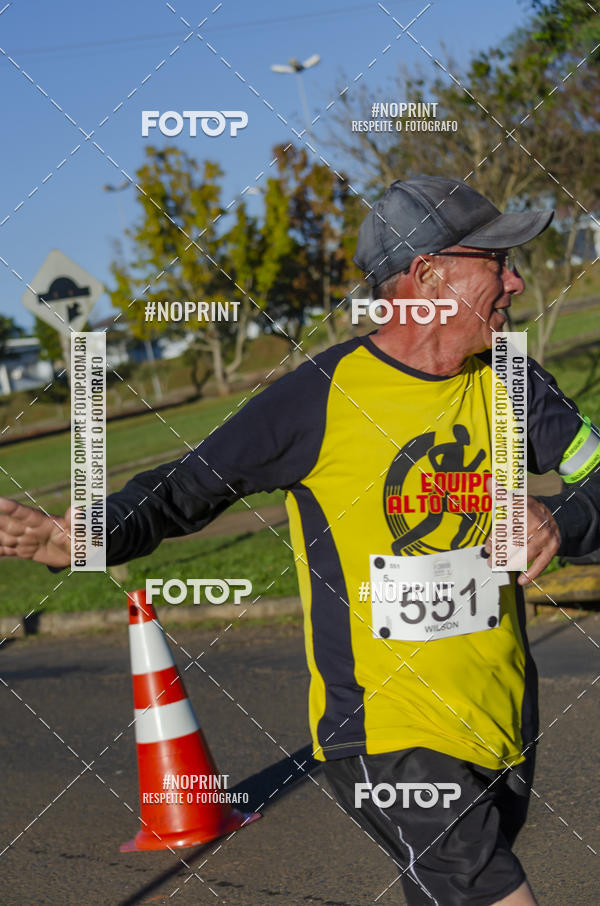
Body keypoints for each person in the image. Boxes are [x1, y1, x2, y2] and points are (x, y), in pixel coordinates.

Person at [2, 175, 600, 905]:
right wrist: (80, 538)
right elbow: (183, 489)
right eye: (497, 259)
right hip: (384, 735)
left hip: (503, 717)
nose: (515, 279)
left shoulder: (513, 383)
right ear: (429, 274)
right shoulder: (317, 397)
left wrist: (560, 521)